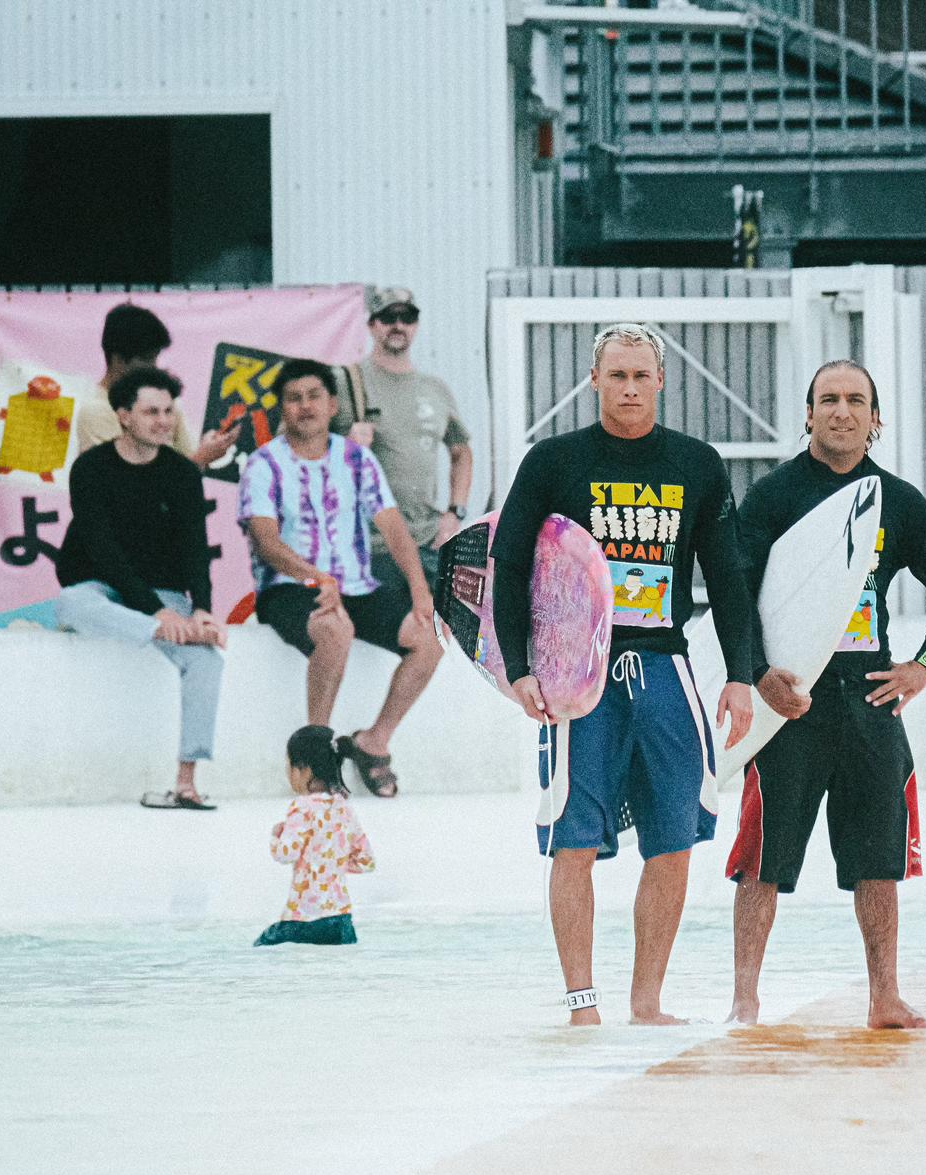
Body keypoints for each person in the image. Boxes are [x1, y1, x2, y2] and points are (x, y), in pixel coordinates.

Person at [491, 322, 755, 1027]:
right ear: (594, 381)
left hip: (667, 665)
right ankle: (582, 1003)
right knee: (574, 839)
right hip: (580, 680)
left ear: (662, 382)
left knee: (674, 838)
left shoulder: (697, 464)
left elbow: (726, 574)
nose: (630, 387)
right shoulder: (554, 461)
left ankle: (647, 1002)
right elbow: (510, 564)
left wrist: (741, 674)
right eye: (617, 375)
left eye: (642, 375)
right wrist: (518, 669)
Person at [725, 359, 926, 1030]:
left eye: (855, 400)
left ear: (875, 417)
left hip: (869, 701)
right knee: (761, 862)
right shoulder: (773, 496)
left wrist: (921, 666)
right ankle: (745, 999)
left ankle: (884, 997)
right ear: (808, 414)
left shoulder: (896, 500)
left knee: (878, 861)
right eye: (828, 399)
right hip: (790, 707)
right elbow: (734, 594)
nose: (841, 410)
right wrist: (759, 672)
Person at [239, 359, 441, 798]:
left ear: (332, 405)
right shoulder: (263, 464)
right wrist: (315, 578)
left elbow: (392, 526)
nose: (305, 406)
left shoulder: (356, 459)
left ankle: (373, 742)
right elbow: (266, 541)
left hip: (357, 587)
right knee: (335, 629)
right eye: (294, 398)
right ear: (282, 409)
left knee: (428, 640)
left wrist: (420, 590)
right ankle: (316, 756)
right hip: (290, 588)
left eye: (314, 396)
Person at [55, 366, 226, 810]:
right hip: (99, 587)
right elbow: (104, 550)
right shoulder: (90, 469)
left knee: (206, 661)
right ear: (124, 416)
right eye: (152, 412)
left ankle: (187, 780)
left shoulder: (181, 473)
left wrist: (201, 610)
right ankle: (154, 632)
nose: (164, 421)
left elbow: (195, 545)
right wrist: (157, 618)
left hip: (163, 595)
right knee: (70, 603)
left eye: (169, 411)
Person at [337, 287, 473, 593]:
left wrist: (455, 513)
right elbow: (300, 447)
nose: (398, 325)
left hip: (428, 543)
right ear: (372, 325)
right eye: (388, 317)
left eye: (407, 317)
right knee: (400, 636)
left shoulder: (435, 389)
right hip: (371, 546)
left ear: (416, 324)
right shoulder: (345, 381)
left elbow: (461, 451)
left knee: (449, 634)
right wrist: (345, 445)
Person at [74, 302, 238, 468]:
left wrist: (209, 449)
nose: (153, 367)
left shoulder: (165, 402)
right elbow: (129, 484)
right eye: (146, 359)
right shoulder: (96, 412)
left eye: (155, 358)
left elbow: (188, 461)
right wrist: (202, 458)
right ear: (119, 360)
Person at [255, 725, 375, 947]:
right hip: (342, 921)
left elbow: (285, 853)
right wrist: (333, 861)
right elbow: (366, 861)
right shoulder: (344, 808)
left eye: (289, 766)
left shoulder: (302, 808)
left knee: (259, 951)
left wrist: (275, 837)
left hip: (303, 919)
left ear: (305, 770)